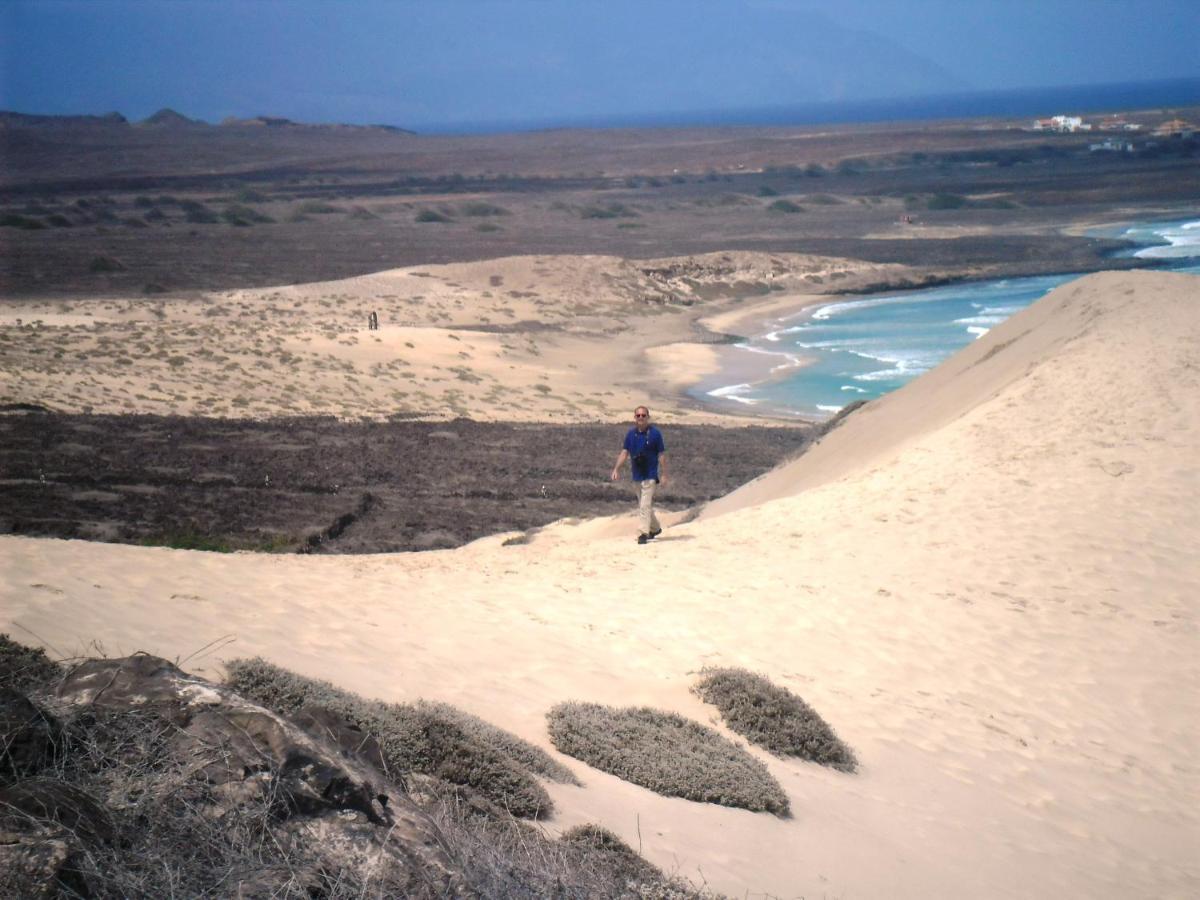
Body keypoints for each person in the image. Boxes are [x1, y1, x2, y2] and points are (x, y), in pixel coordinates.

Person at [611, 406, 668, 544]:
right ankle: (655, 528)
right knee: (644, 505)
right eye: (638, 415)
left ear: (648, 417)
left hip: (650, 475)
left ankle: (643, 533)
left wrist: (665, 474)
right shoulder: (631, 434)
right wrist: (616, 469)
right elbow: (625, 452)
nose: (641, 418)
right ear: (635, 418)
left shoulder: (655, 434)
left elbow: (661, 454)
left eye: (643, 415)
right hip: (637, 475)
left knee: (644, 505)